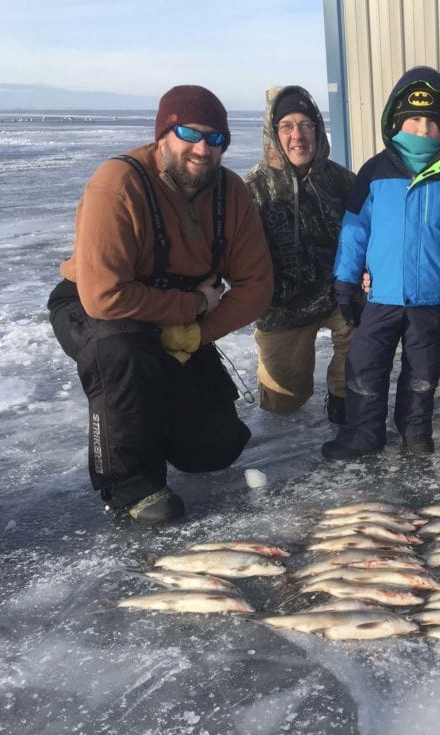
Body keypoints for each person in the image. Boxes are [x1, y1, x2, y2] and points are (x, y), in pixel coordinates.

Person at [47, 85, 274, 525]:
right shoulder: (118, 183)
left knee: (216, 447)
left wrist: (197, 334)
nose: (202, 148)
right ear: (163, 135)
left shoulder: (231, 193)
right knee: (122, 351)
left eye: (216, 139)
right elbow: (104, 295)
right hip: (95, 310)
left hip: (179, 319)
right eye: (190, 133)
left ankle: (145, 423)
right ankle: (131, 487)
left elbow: (256, 286)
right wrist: (191, 307)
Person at [321, 66, 440, 459]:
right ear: (395, 121)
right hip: (382, 296)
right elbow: (355, 230)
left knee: (423, 371)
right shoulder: (373, 172)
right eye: (413, 120)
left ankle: (415, 430)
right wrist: (344, 282)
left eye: (431, 122)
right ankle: (362, 434)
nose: (422, 130)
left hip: (430, 300)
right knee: (364, 365)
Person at [244, 86, 356, 422]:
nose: (298, 136)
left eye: (306, 125)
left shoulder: (344, 182)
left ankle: (342, 395)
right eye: (287, 126)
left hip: (341, 299)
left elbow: (370, 236)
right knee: (282, 406)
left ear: (319, 130)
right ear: (273, 133)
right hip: (283, 311)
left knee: (365, 339)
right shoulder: (251, 191)